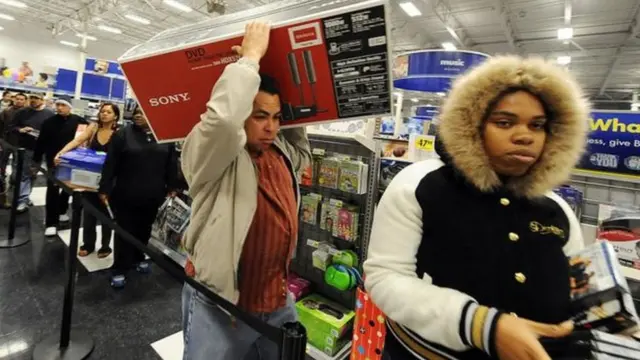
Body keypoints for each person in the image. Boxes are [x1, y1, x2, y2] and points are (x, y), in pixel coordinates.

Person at [363, 56, 591, 360]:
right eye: (504, 122)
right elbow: (385, 277)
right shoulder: (421, 185)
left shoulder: (556, 208)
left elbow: (580, 285)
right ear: (472, 126)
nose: (525, 136)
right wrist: (482, 326)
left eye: (537, 126)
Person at [180, 22, 311, 360]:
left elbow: (303, 153)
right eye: (260, 116)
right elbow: (223, 122)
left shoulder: (279, 152)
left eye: (277, 117)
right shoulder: (214, 156)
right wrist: (250, 59)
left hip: (277, 299)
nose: (271, 127)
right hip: (222, 306)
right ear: (242, 114)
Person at [98, 106, 178, 288]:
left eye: (142, 112)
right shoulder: (122, 135)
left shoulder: (166, 137)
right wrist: (104, 188)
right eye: (136, 113)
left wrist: (172, 186)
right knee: (125, 231)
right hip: (126, 192)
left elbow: (171, 164)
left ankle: (138, 257)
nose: (138, 116)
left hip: (153, 193)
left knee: (144, 228)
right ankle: (119, 268)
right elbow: (110, 164)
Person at [56, 102, 119, 258]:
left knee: (107, 213)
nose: (104, 114)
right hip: (90, 177)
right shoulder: (93, 128)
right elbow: (77, 141)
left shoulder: (120, 132)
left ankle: (105, 246)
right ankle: (88, 244)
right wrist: (61, 153)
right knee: (89, 212)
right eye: (102, 111)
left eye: (108, 112)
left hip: (110, 178)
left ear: (115, 116)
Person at [33, 97, 88, 236]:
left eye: (63, 105)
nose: (59, 108)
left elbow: (86, 139)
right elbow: (41, 142)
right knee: (52, 190)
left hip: (73, 161)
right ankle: (51, 222)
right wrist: (36, 160)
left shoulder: (80, 121)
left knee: (68, 188)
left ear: (69, 107)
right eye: (57, 105)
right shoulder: (48, 122)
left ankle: (62, 211)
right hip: (54, 161)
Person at [11, 93, 55, 212]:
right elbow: (12, 127)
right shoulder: (22, 112)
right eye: (32, 98)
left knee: (33, 174)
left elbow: (53, 131)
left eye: (36, 98)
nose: (33, 100)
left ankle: (25, 196)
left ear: (42, 100)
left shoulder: (49, 114)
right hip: (26, 148)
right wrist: (21, 129)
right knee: (24, 174)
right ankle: (23, 200)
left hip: (41, 150)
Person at [0, 92, 26, 207]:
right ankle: (2, 186)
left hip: (20, 145)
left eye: (22, 99)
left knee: (17, 169)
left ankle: (14, 185)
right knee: (2, 166)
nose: (19, 101)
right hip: (6, 142)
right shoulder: (6, 111)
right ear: (14, 99)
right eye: (17, 99)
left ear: (25, 101)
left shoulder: (28, 113)